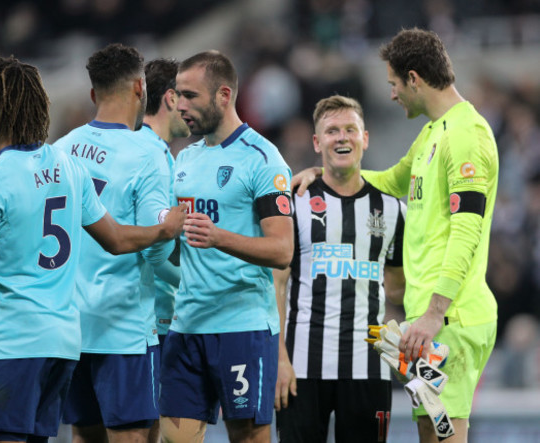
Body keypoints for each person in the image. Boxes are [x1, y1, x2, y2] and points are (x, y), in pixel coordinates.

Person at [0, 55, 186, 443]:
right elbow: (117, 239)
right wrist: (163, 231)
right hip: (62, 345)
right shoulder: (67, 168)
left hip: (15, 342)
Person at [292, 28, 499, 442]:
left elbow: (467, 228)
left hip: (450, 320)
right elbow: (387, 179)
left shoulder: (467, 135)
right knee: (429, 429)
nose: (391, 94)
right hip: (425, 325)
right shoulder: (431, 134)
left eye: (393, 84)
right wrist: (326, 174)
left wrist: (437, 311)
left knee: (445, 434)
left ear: (414, 79)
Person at [158, 50, 294, 443]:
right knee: (174, 437)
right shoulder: (183, 161)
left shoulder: (263, 160)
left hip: (242, 325)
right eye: (177, 95)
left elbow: (282, 250)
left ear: (223, 95)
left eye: (190, 96)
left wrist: (219, 238)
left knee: (249, 436)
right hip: (186, 325)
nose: (180, 106)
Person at [52, 44, 177, 443]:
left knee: (83, 435)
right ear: (141, 87)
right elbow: (157, 250)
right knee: (132, 436)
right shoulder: (148, 153)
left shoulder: (61, 149)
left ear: (92, 94)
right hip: (123, 327)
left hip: (71, 325)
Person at [272, 95, 406, 443]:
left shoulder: (393, 209)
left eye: (350, 129)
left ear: (366, 138)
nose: (342, 137)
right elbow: (277, 284)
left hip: (368, 367)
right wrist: (278, 358)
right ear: (317, 142)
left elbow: (396, 290)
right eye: (332, 131)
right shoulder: (295, 201)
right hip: (301, 367)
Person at [137, 57, 191, 352]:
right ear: (171, 98)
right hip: (150, 320)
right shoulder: (154, 158)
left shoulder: (129, 148)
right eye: (189, 97)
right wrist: (198, 286)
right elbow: (154, 249)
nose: (192, 109)